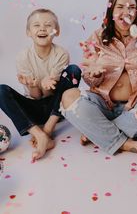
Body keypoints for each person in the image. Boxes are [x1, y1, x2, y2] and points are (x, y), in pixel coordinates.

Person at [60, 0, 137, 157]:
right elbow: (88, 73)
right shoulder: (97, 37)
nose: (127, 12)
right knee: (68, 96)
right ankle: (125, 143)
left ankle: (97, 131)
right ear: (111, 10)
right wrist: (94, 75)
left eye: (132, 7)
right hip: (102, 103)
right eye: (120, 7)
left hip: (135, 106)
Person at [0, 8, 81, 160]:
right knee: (1, 90)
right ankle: (39, 134)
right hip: (33, 108)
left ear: (56, 31)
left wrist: (48, 83)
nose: (42, 28)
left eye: (48, 25)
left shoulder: (61, 54)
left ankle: (48, 129)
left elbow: (53, 91)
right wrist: (32, 85)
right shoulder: (23, 57)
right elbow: (36, 96)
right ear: (28, 32)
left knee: (74, 71)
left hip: (55, 107)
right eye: (36, 25)